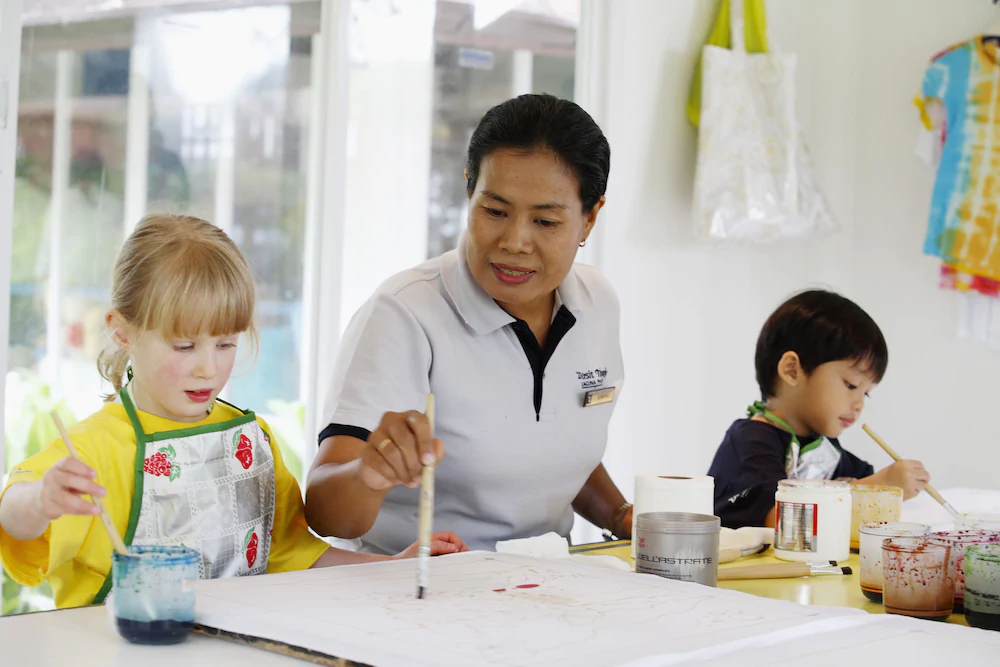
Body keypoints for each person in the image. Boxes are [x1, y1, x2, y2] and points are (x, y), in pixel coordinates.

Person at [0, 214, 466, 609]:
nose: (208, 367)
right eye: (184, 345)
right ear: (123, 333)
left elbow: (296, 557)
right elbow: (11, 515)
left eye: (225, 343)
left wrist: (394, 567)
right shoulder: (95, 448)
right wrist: (41, 500)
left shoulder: (250, 440)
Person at [306, 94, 630, 554]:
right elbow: (324, 510)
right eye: (495, 212)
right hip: (421, 590)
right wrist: (369, 474)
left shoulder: (598, 304)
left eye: (545, 221)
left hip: (547, 583)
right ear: (469, 191)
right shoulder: (406, 312)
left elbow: (553, 449)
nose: (515, 241)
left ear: (589, 218)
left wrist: (622, 516)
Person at [708, 289, 930, 528]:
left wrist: (891, 482)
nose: (859, 404)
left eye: (866, 393)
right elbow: (780, 521)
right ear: (793, 370)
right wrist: (879, 488)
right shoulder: (750, 442)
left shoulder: (823, 447)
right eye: (851, 385)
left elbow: (864, 478)